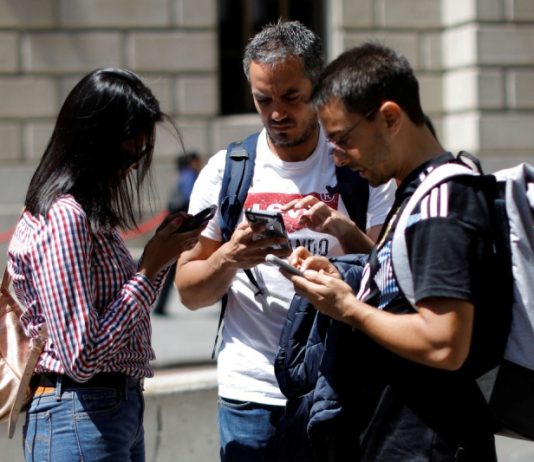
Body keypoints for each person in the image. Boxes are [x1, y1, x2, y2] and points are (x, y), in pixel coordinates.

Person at [175, 21, 395, 461]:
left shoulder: (357, 166)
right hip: (249, 393)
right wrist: (229, 257)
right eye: (264, 100)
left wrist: (343, 232)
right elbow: (189, 292)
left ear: (319, 87)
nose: (276, 113)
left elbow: (389, 279)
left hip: (336, 386)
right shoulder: (226, 171)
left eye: (291, 97)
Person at [282, 42, 508, 461]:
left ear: (389, 117)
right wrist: (346, 281)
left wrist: (347, 308)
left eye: (342, 139)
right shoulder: (415, 196)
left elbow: (444, 343)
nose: (338, 159)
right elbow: (403, 300)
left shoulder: (441, 204)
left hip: (429, 445)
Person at [7, 68, 205, 461]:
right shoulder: (66, 216)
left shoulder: (87, 212)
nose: (132, 166)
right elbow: (82, 357)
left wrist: (160, 257)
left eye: (140, 154)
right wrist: (148, 271)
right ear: (93, 141)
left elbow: (116, 318)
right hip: (79, 411)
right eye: (128, 154)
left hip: (105, 409)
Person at [153, 151, 202, 315]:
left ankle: (160, 305)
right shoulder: (189, 176)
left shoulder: (184, 175)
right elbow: (190, 198)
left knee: (172, 266)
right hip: (185, 229)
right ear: (191, 162)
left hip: (180, 228)